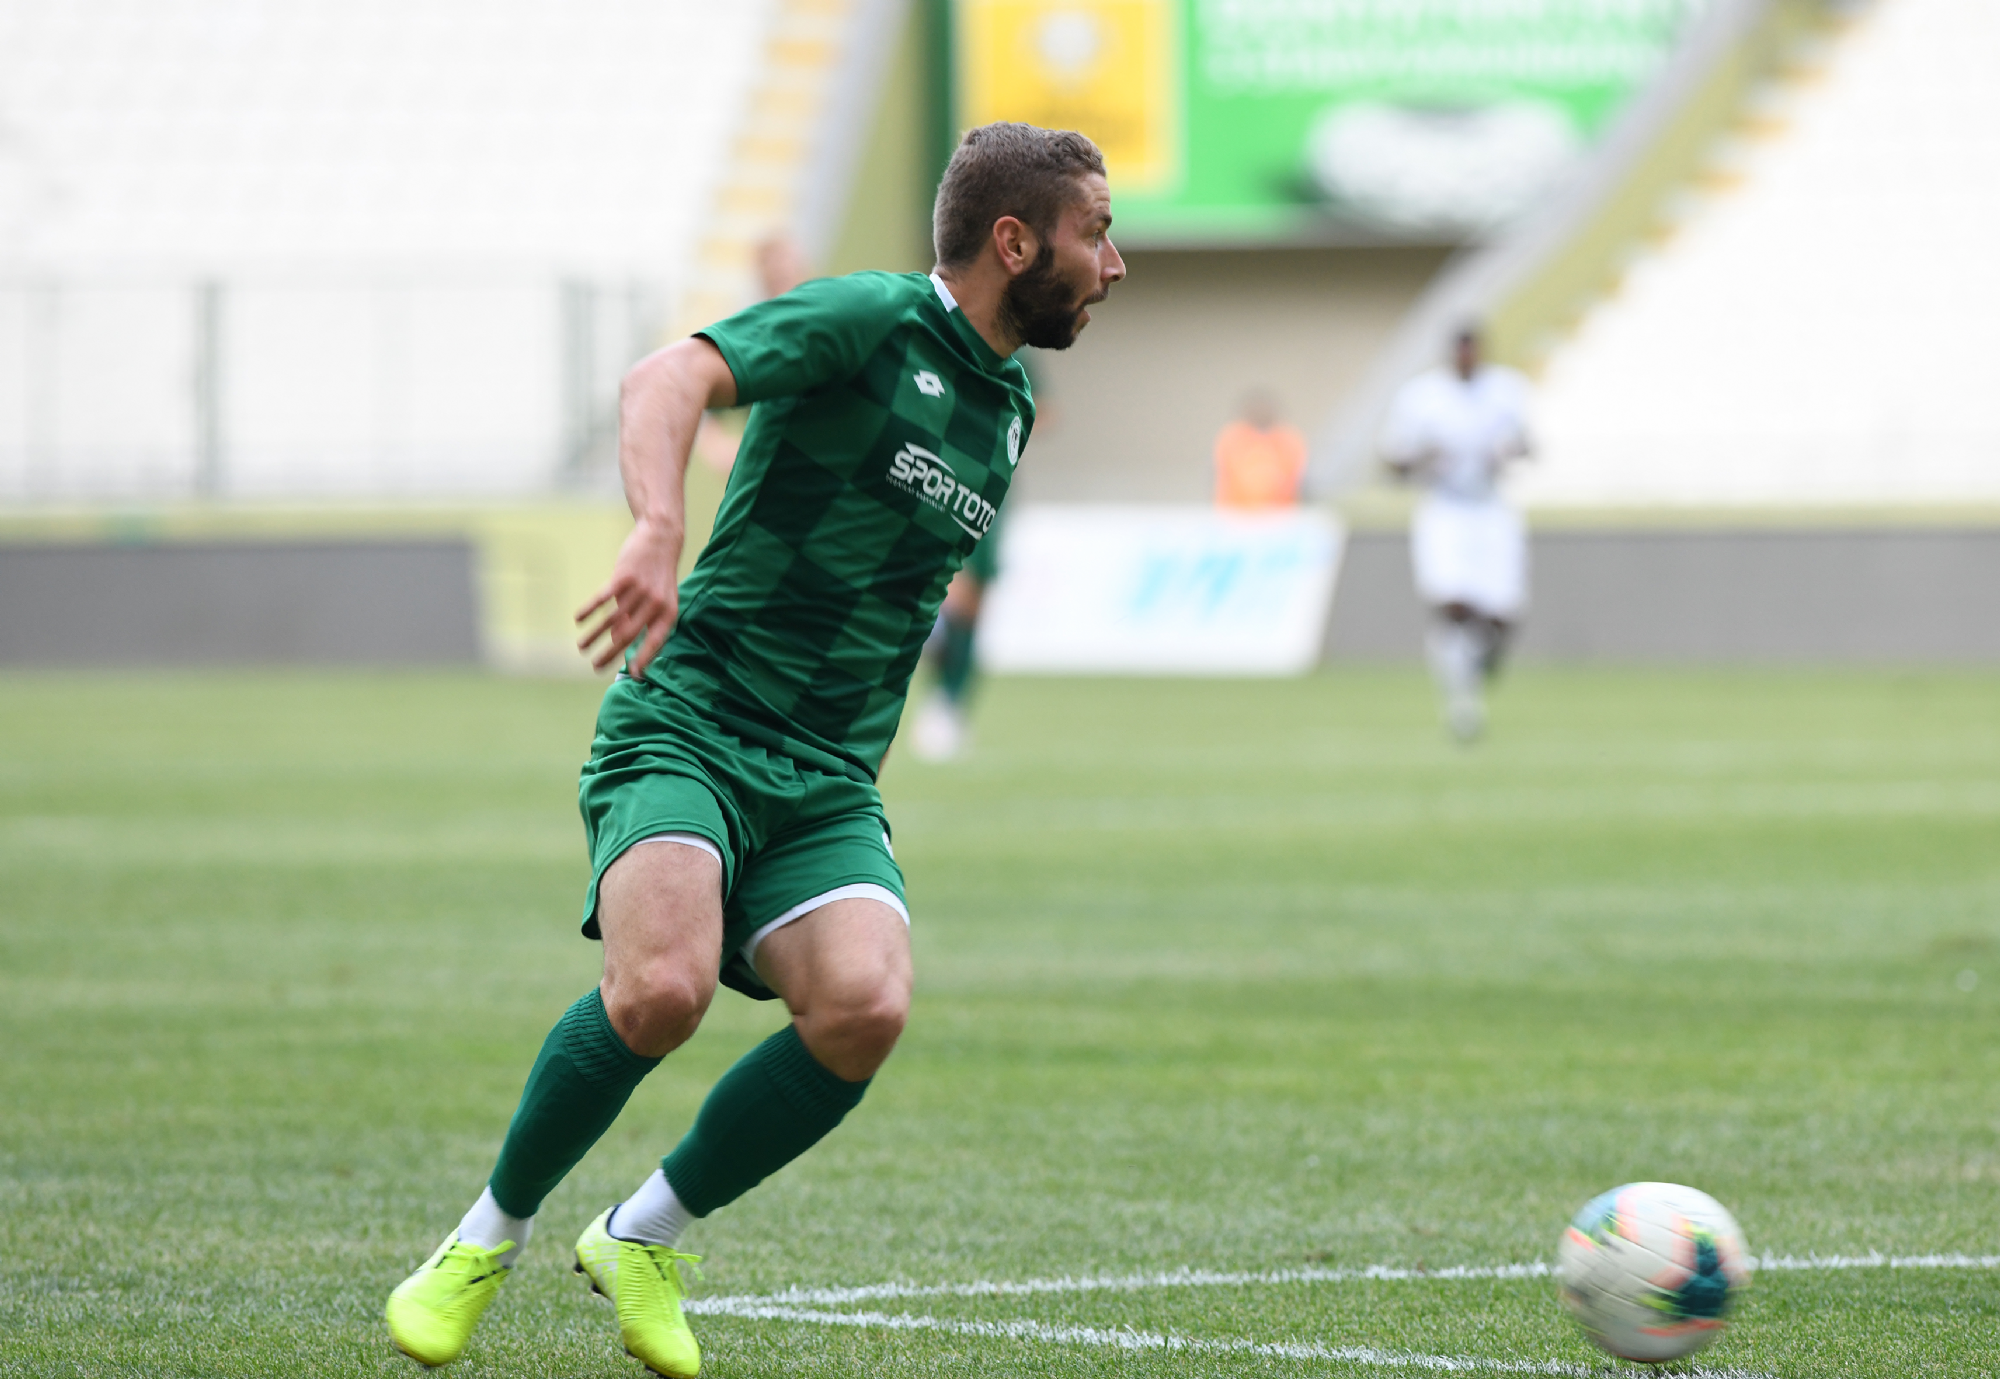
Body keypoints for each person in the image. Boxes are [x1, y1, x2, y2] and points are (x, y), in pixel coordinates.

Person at [383, 122, 1125, 1374]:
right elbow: (662, 378)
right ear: (1014, 241)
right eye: (1094, 232)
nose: (1113, 263)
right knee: (658, 990)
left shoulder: (1006, 405)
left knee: (865, 1006)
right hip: (694, 720)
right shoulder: (871, 317)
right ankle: (481, 1238)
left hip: (824, 780)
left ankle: (642, 1233)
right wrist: (655, 528)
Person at [1378, 325, 1532, 742]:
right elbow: (1391, 461)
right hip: (1445, 510)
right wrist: (1423, 458)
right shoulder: (1421, 397)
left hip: (1491, 509)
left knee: (1502, 616)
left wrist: (1508, 452)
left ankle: (1482, 659)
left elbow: (1529, 445)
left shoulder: (1506, 390)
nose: (1465, 360)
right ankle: (1462, 704)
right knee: (1451, 603)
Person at [1213, 390, 1307, 509]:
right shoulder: (1232, 438)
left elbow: (1299, 479)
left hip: (1281, 513)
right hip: (1237, 513)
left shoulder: (1288, 440)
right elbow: (1221, 476)